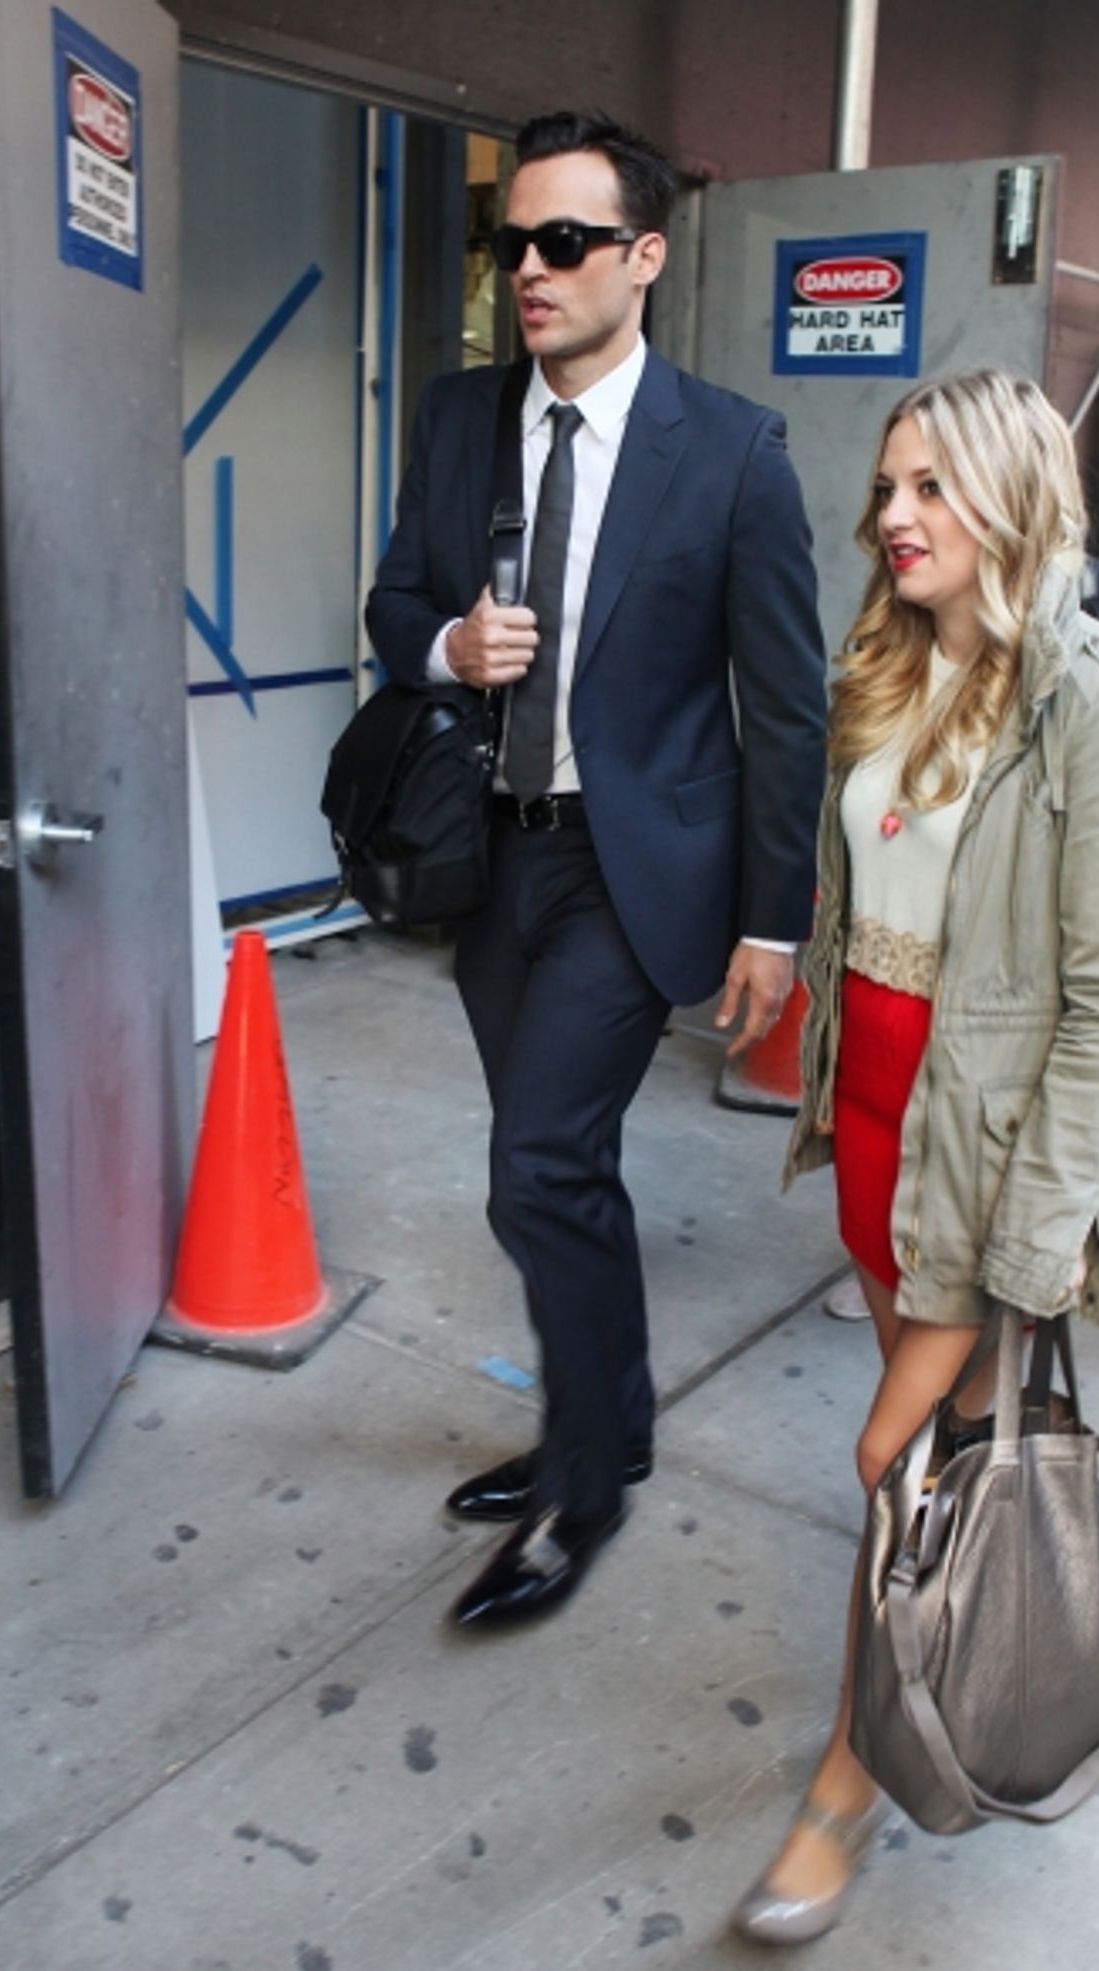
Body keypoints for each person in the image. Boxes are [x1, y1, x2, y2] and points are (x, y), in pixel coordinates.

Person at [366, 111, 827, 1630]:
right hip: (485, 863)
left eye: (567, 242)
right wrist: (445, 646)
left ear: (643, 256)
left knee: (536, 1170)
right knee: (558, 1174)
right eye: (515, 243)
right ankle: (606, 1417)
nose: (533, 270)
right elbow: (391, 605)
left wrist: (777, 921)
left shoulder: (733, 451)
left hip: (635, 878)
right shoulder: (453, 419)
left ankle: (583, 1490)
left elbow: (785, 706)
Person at [730, 367, 1099, 1943]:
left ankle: (854, 1784)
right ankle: (960, 1698)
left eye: (929, 486)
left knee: (892, 1472)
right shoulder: (898, 668)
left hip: (985, 1172)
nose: (893, 516)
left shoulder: (1097, 702)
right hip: (875, 1145)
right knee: (925, 1480)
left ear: (1010, 495)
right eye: (888, 487)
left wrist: (1035, 1241)